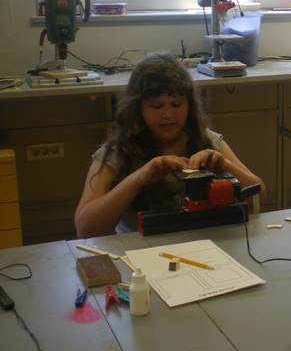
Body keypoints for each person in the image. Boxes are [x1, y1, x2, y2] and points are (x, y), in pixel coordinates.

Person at [75, 53, 266, 238]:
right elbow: (85, 229)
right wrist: (137, 179)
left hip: (204, 245)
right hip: (141, 252)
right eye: (156, 106)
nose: (167, 115)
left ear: (189, 105)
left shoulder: (207, 142)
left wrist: (225, 166)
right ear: (137, 108)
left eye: (176, 104)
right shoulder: (118, 152)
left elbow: (259, 197)